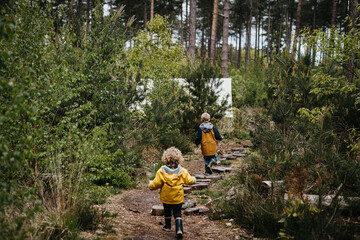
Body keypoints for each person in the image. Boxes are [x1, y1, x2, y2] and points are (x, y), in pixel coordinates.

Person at [149, 147, 196, 238]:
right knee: (177, 213)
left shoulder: (161, 170)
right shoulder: (182, 170)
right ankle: (179, 229)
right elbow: (189, 180)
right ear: (179, 158)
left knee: (167, 211)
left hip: (166, 197)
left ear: (165, 158)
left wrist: (150, 186)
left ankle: (167, 226)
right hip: (178, 197)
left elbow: (157, 183)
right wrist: (194, 179)